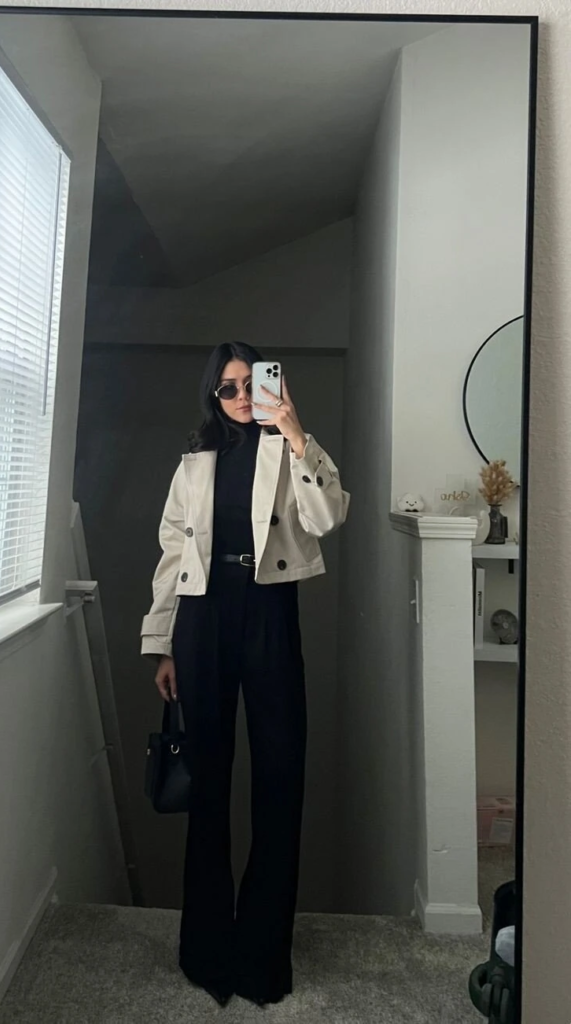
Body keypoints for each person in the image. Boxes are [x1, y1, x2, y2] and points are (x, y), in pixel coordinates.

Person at [140, 341, 349, 1008]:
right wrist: (163, 644)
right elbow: (172, 551)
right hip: (201, 617)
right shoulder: (194, 462)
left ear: (270, 387)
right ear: (214, 395)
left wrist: (295, 433)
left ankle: (262, 958)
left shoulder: (289, 449)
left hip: (268, 610)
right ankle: (206, 951)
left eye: (248, 385)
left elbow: (328, 517)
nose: (237, 398)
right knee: (208, 780)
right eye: (226, 388)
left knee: (279, 776)